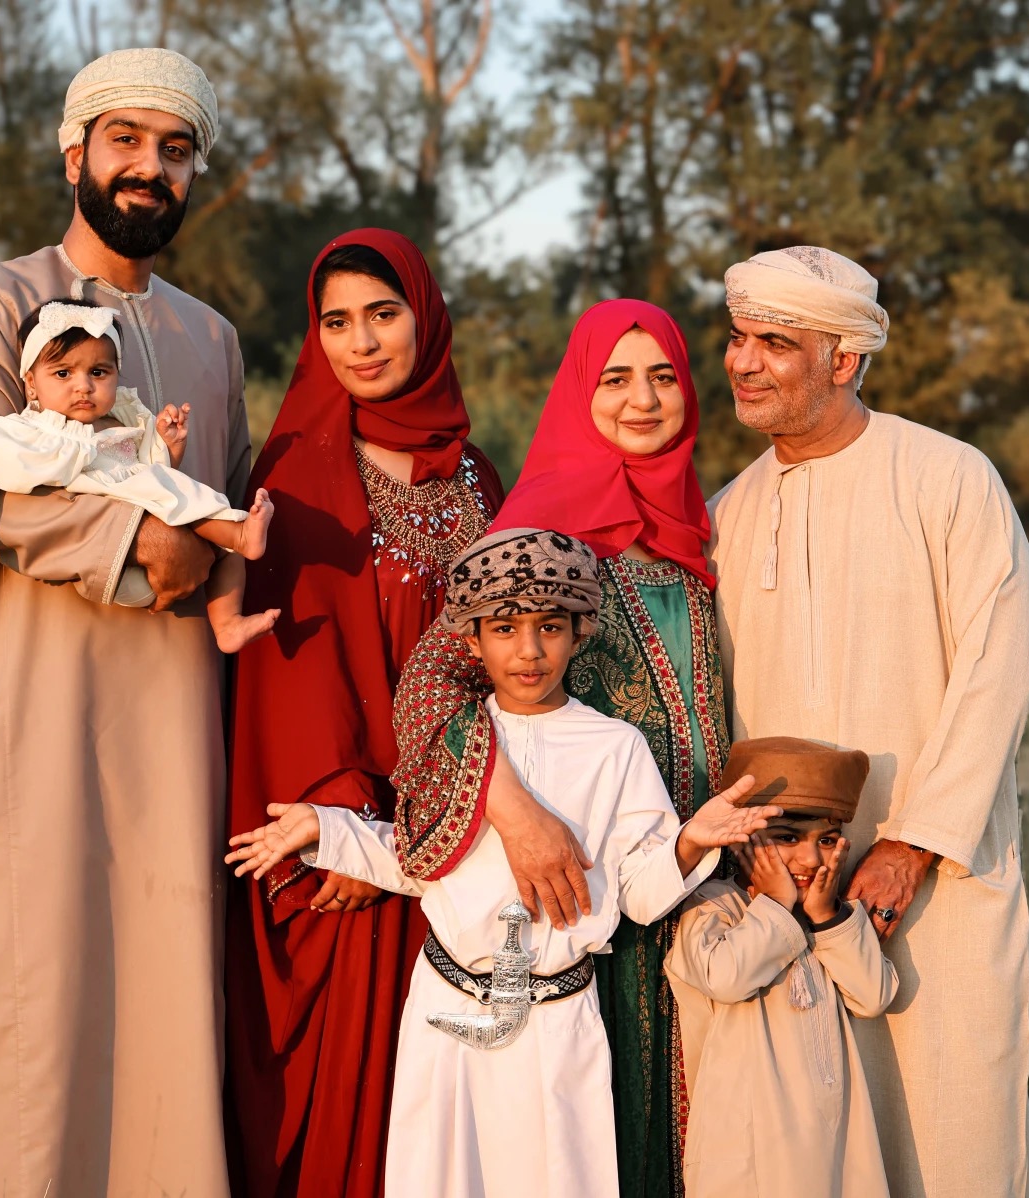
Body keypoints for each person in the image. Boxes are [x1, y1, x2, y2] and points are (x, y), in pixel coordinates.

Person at [0, 47, 245, 1196]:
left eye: (174, 149)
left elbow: (224, 509)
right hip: (20, 721)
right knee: (8, 1031)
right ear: (74, 152)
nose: (149, 168)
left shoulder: (212, 339)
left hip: (167, 739)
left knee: (154, 1018)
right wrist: (137, 541)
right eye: (124, 140)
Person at [227, 529, 775, 1198]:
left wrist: (690, 842)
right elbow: (420, 859)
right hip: (448, 1011)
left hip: (557, 1021)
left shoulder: (614, 748)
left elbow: (635, 895)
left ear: (579, 632)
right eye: (505, 628)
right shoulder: (455, 742)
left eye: (550, 627)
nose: (529, 650)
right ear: (470, 641)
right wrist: (327, 827)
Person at [709, 246, 1029, 1197]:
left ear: (844, 360)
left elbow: (997, 669)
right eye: (736, 337)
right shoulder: (725, 515)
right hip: (788, 893)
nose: (742, 362)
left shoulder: (948, 478)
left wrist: (910, 844)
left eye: (775, 343)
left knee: (955, 1137)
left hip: (936, 880)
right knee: (814, 1151)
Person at [390, 298, 725, 1196]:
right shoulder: (536, 532)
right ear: (579, 391)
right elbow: (428, 691)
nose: (642, 400)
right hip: (575, 884)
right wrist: (519, 816)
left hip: (681, 870)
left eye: (662, 377)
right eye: (614, 379)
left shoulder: (696, 525)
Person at [225, 229, 505, 1198]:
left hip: (465, 834)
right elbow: (284, 667)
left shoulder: (481, 477)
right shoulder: (297, 474)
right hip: (349, 839)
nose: (361, 342)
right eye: (336, 322)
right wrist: (348, 828)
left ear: (424, 319)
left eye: (383, 315)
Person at [0, 298, 279, 652]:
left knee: (225, 543)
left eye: (98, 372)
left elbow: (158, 473)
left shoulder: (121, 422)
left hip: (156, 549)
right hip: (119, 565)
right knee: (198, 513)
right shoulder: (32, 432)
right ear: (32, 384)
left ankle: (227, 623)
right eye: (63, 373)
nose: (83, 386)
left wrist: (170, 445)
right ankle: (239, 537)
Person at [666, 737, 897, 1197]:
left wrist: (826, 917)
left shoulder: (830, 917)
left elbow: (874, 996)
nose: (811, 859)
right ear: (741, 836)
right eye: (788, 837)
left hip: (834, 1144)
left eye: (826, 840)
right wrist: (773, 904)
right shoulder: (715, 908)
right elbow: (726, 978)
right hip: (749, 1152)